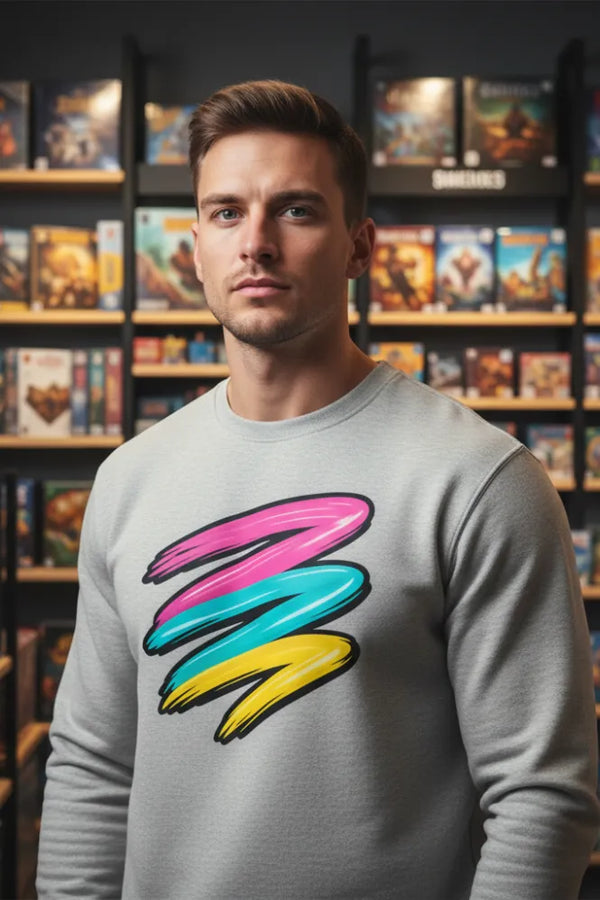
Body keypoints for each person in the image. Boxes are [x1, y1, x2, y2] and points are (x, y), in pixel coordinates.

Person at [37, 79, 599, 900]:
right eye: (226, 212)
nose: (256, 242)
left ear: (360, 247)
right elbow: (92, 763)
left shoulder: (478, 481)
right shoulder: (130, 481)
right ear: (192, 246)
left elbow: (543, 797)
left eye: (295, 210)